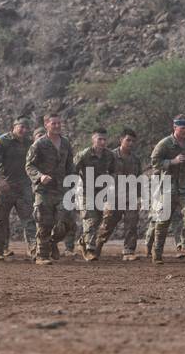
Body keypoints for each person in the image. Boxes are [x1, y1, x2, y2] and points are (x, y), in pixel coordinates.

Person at [26, 113, 74, 266]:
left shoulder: (65, 143)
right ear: (46, 124)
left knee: (67, 222)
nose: (57, 126)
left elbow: (69, 165)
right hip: (44, 190)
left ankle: (52, 242)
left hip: (62, 189)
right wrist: (40, 176)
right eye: (54, 123)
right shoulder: (39, 144)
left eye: (59, 123)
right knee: (44, 223)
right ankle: (41, 255)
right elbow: (29, 165)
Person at [148, 116, 185, 264]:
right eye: (182, 128)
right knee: (163, 220)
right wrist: (172, 162)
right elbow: (154, 161)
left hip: (184, 185)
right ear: (175, 128)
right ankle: (156, 253)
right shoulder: (165, 144)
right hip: (168, 185)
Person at [0, 117, 37, 260]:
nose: (23, 130)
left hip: (23, 187)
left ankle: (34, 250)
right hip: (5, 187)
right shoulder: (2, 142)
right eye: (21, 127)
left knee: (29, 220)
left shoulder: (30, 143)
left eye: (26, 127)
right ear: (13, 127)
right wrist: (0, 179)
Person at [94, 129, 143, 260]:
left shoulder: (135, 159)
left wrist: (139, 197)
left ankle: (128, 251)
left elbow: (139, 178)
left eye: (133, 141)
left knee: (132, 224)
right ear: (121, 140)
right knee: (108, 224)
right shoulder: (110, 156)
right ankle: (95, 247)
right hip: (113, 196)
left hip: (130, 197)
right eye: (128, 140)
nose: (131, 143)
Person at [73, 127, 115, 260]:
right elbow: (72, 170)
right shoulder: (84, 154)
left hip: (102, 192)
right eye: (99, 139)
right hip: (86, 191)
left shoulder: (109, 155)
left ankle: (82, 241)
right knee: (90, 220)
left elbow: (113, 171)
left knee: (101, 220)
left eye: (104, 139)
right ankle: (90, 250)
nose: (102, 142)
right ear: (93, 140)